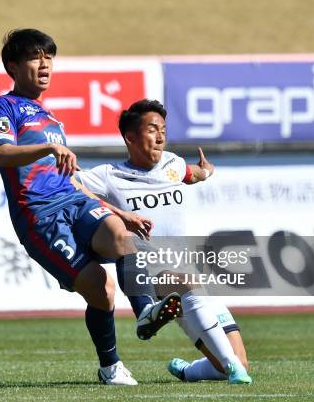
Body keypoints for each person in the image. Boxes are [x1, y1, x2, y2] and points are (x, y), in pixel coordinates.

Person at [0, 29, 179, 385]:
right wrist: (49, 149)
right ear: (12, 66)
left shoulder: (49, 117)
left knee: (121, 237)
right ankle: (110, 367)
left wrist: (121, 213)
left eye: (49, 57)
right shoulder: (4, 107)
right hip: (39, 217)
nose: (44, 64)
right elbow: (3, 154)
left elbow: (70, 179)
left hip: (74, 202)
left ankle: (146, 311)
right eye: (34, 57)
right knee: (100, 288)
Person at [73, 99, 253, 384]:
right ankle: (232, 368)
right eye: (152, 129)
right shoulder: (109, 175)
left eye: (164, 130)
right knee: (190, 287)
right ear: (130, 137)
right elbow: (70, 183)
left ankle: (189, 370)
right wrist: (118, 213)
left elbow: (191, 174)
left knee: (239, 358)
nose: (160, 136)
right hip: (148, 273)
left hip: (187, 273)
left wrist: (206, 172)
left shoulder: (172, 163)